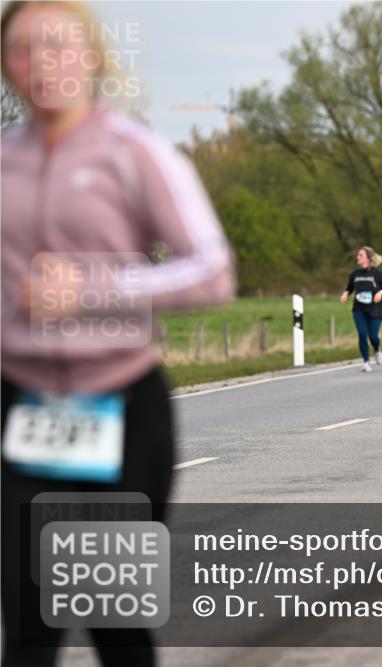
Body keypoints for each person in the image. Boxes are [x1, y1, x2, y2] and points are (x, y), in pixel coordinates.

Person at [1, 2, 235, 664]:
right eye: (23, 49)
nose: (41, 63)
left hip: (119, 405)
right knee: (26, 622)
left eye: (58, 46)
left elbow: (213, 272)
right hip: (18, 404)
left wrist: (96, 288)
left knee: (113, 619)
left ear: (94, 57)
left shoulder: (136, 153)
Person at [340, 246, 382, 372]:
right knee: (362, 334)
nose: (357, 257)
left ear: (368, 258)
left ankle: (377, 349)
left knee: (373, 336)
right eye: (358, 255)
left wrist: (380, 293)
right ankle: (366, 361)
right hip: (359, 308)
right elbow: (350, 288)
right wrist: (345, 294)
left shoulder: (378, 274)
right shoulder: (355, 274)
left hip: (375, 308)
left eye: (361, 255)